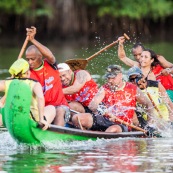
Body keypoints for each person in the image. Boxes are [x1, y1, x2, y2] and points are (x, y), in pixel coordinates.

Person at [71, 65, 156, 134]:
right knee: (77, 118)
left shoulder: (132, 89)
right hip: (105, 120)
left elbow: (149, 104)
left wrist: (149, 125)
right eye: (108, 78)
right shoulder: (105, 88)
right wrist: (103, 111)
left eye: (113, 78)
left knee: (112, 130)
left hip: (122, 124)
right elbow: (92, 105)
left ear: (120, 76)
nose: (110, 81)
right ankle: (88, 137)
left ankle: (100, 140)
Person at [25, 26, 69, 126]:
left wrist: (32, 40)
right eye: (28, 59)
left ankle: (58, 138)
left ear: (40, 57)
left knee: (59, 110)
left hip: (61, 107)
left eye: (33, 59)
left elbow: (49, 55)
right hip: (42, 110)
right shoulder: (27, 73)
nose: (30, 62)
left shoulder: (50, 64)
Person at [0, 58, 56, 130]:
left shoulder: (7, 83)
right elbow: (41, 98)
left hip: (12, 119)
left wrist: (10, 79)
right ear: (27, 72)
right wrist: (41, 119)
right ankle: (42, 123)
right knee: (51, 108)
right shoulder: (34, 83)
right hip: (31, 120)